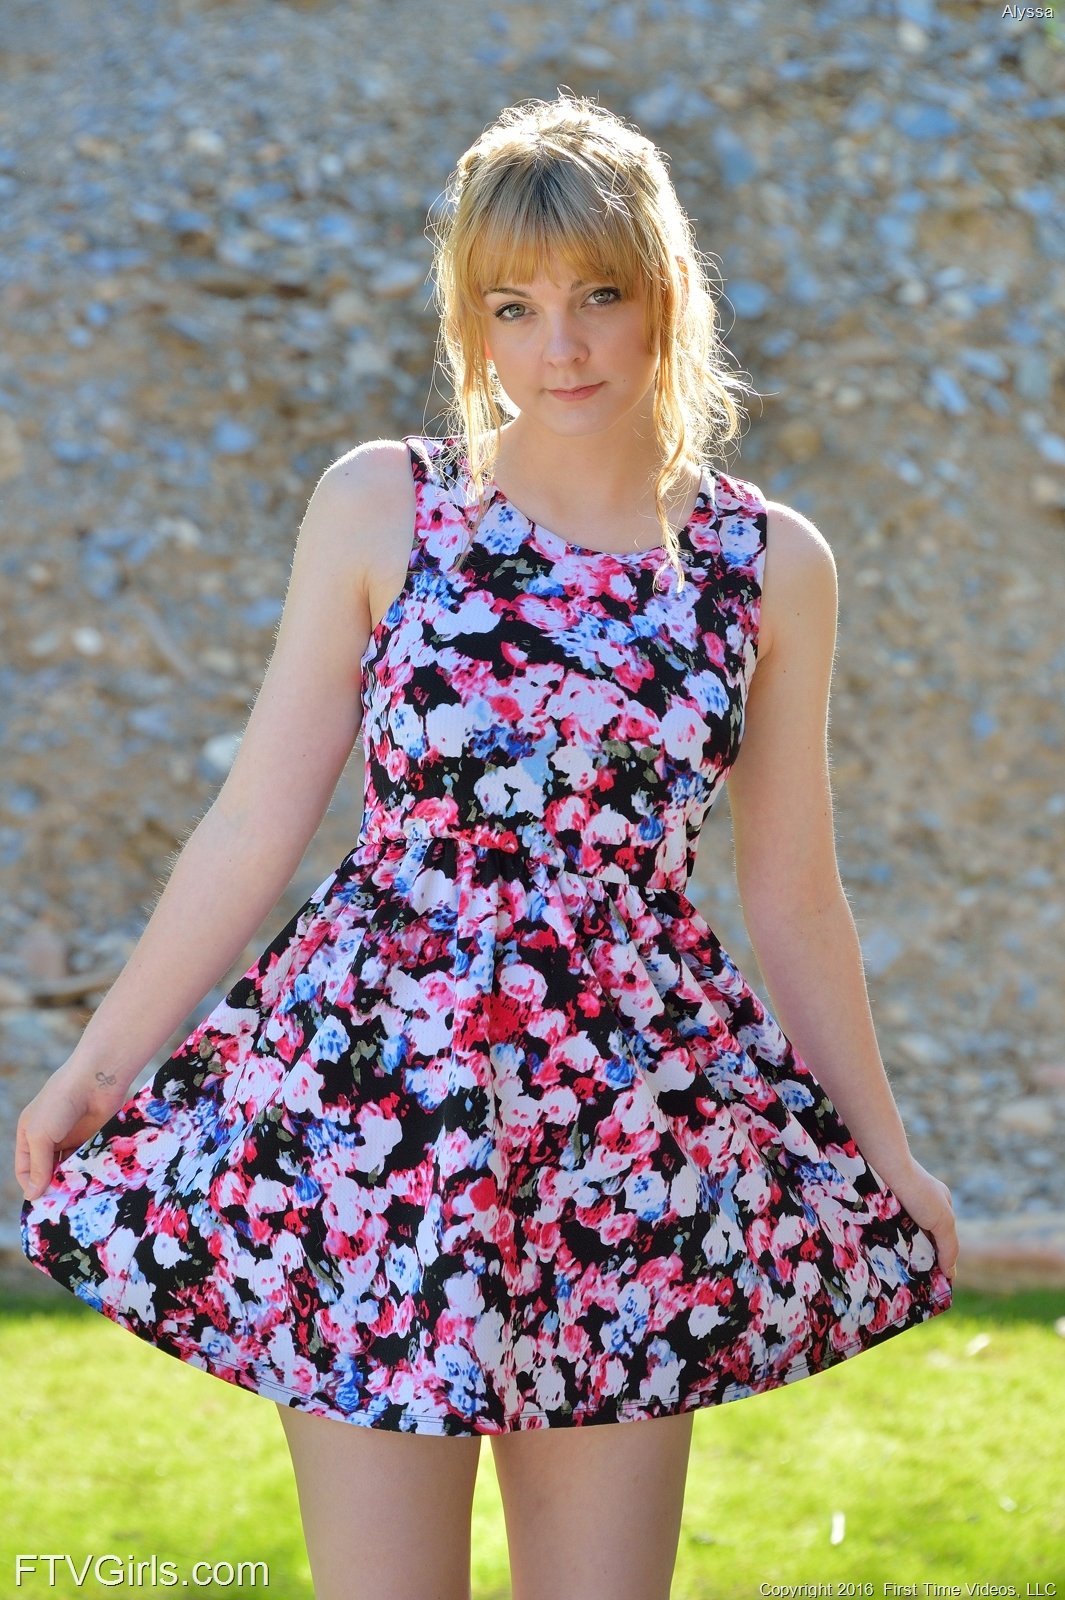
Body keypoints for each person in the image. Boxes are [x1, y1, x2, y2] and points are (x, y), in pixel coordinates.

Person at [15, 91, 958, 1600]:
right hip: (369, 1107)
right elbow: (254, 822)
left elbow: (794, 896)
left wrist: (884, 1150)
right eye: (512, 306)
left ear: (666, 292)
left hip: (630, 1131)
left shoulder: (767, 563)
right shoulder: (381, 506)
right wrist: (99, 1065)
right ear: (471, 321)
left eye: (599, 295)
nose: (560, 345)